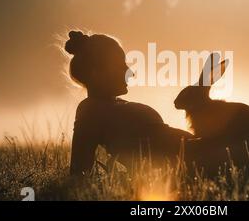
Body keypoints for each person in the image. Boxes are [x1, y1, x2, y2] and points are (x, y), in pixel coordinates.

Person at [65, 31, 193, 175]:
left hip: (196, 152)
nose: (130, 72)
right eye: (120, 65)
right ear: (97, 72)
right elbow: (79, 170)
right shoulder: (89, 110)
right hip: (194, 160)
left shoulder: (112, 105)